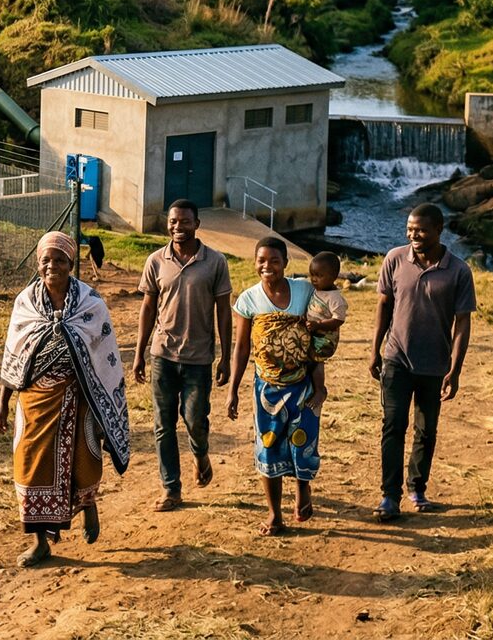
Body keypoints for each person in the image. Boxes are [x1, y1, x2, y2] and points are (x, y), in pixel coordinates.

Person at [0, 231, 132, 567]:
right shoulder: (26, 304)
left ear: (71, 263)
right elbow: (13, 354)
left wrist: (103, 406)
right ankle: (39, 541)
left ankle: (88, 506)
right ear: (38, 264)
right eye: (46, 260)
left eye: (59, 260)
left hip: (78, 397)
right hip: (34, 401)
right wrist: (2, 401)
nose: (52, 266)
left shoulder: (90, 304)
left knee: (83, 459)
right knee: (30, 467)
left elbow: (105, 356)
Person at [370, 204, 475, 521]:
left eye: (421, 230)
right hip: (396, 358)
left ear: (439, 229)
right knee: (393, 427)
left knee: (426, 430)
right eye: (409, 229)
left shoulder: (458, 271)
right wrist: (374, 350)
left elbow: (462, 324)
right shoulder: (395, 259)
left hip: (435, 364)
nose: (413, 235)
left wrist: (454, 370)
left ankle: (417, 488)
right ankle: (390, 496)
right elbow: (384, 306)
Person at [132, 199, 233, 512]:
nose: (178, 227)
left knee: (194, 420)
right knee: (163, 424)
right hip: (163, 354)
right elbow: (148, 308)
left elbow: (224, 312)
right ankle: (171, 488)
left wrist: (225, 356)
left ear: (197, 224)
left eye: (185, 222)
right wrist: (139, 353)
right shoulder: (155, 261)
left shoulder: (215, 262)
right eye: (173, 221)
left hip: (199, 358)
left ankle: (200, 453)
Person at [226, 237, 320, 535]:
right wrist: (232, 389)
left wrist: (320, 384)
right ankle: (274, 513)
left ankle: (303, 488)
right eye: (261, 261)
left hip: (302, 384)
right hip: (266, 388)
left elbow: (316, 340)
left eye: (274, 261)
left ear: (286, 264)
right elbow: (241, 348)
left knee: (303, 441)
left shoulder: (304, 291)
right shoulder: (248, 299)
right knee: (268, 447)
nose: (267, 266)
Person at [303, 252, 348, 411]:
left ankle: (320, 390)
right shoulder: (318, 289)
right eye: (312, 275)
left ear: (333, 276)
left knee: (316, 361)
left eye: (319, 276)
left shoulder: (334, 298)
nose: (314, 279)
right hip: (314, 332)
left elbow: (339, 320)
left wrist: (319, 324)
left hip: (325, 338)